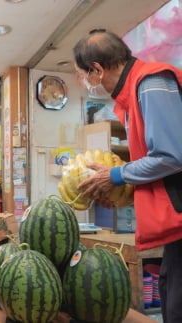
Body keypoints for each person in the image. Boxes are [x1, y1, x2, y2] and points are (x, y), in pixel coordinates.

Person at [73, 29, 182, 323]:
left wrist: (117, 175)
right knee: (171, 296)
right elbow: (163, 172)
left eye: (83, 75)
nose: (85, 83)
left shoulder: (151, 83)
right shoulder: (132, 94)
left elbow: (171, 156)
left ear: (96, 69)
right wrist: (120, 193)